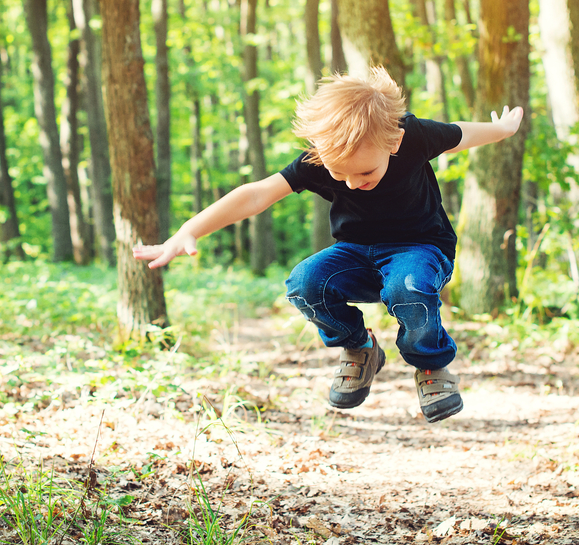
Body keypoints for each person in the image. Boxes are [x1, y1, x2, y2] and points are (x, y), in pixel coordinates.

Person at [133, 67, 523, 423]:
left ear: (394, 141)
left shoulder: (413, 135)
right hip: (356, 254)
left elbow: (458, 135)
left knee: (408, 287)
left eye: (365, 172)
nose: (352, 183)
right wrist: (190, 230)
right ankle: (359, 348)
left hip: (420, 250)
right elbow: (257, 194)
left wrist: (502, 131)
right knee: (304, 282)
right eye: (341, 174)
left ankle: (430, 365)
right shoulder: (320, 160)